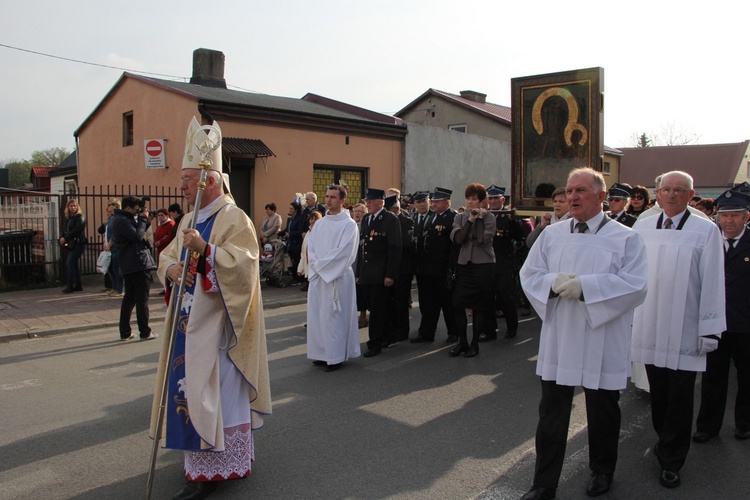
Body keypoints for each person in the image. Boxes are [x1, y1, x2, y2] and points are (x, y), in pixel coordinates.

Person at [150, 117, 271, 499]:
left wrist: (206, 252)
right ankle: (201, 459)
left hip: (221, 329)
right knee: (189, 388)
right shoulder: (188, 218)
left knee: (215, 391)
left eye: (188, 179)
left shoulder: (234, 218)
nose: (182, 186)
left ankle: (220, 466)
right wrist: (171, 267)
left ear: (210, 180)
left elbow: (246, 268)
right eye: (183, 179)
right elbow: (166, 258)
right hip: (187, 323)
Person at [519, 167, 648, 500]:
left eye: (581, 191)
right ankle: (544, 482)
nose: (572, 197)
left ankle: (602, 470)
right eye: (569, 190)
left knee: (603, 410)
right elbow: (530, 273)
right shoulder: (552, 234)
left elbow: (636, 285)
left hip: (601, 335)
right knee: (552, 413)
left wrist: (586, 287)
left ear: (602, 197)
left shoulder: (626, 237)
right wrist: (553, 283)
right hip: (561, 334)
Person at [631, 170, 726, 489]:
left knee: (681, 396)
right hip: (650, 324)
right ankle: (664, 440)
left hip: (686, 328)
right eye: (666, 189)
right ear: (657, 193)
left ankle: (672, 459)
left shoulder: (705, 229)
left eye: (679, 190)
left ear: (690, 194)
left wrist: (710, 328)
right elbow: (631, 274)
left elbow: (713, 280)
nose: (671, 195)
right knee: (658, 394)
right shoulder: (642, 226)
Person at [693, 189, 750, 443]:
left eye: (735, 216)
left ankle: (744, 424)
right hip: (716, 322)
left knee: (747, 378)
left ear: (746, 217)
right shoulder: (710, 242)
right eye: (724, 215)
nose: (729, 221)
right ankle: (707, 426)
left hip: (746, 324)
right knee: (712, 378)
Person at [306, 185, 360, 372]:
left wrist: (321, 266)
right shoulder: (320, 224)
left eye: (333, 197)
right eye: (327, 196)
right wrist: (316, 265)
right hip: (320, 277)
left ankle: (335, 356)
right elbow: (310, 247)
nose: (328, 200)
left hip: (337, 277)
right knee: (318, 315)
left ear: (342, 201)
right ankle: (321, 353)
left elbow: (345, 253)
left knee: (334, 317)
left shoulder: (349, 225)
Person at [450, 183, 496, 358]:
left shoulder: (490, 218)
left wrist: (479, 219)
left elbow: (482, 239)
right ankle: (462, 341)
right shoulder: (460, 217)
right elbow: (459, 239)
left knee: (479, 307)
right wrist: (471, 219)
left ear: (482, 201)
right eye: (468, 198)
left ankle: (474, 344)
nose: (470, 202)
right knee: (457, 304)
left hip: (483, 265)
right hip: (464, 265)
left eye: (474, 199)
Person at [410, 188, 459, 344]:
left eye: (437, 201)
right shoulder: (431, 217)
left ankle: (454, 332)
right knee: (428, 304)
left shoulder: (453, 217)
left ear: (447, 202)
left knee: (447, 304)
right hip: (426, 269)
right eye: (434, 201)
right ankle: (426, 333)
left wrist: (452, 269)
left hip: (443, 269)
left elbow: (454, 246)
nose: (434, 204)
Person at [356, 187, 402, 357]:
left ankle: (374, 344)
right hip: (367, 273)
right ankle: (391, 334)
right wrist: (359, 272)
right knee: (381, 307)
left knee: (376, 310)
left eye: (371, 202)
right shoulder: (367, 219)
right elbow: (363, 248)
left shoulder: (389, 219)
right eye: (367, 201)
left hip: (381, 273)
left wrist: (390, 274)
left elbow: (395, 249)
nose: (368, 204)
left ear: (381, 202)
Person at [111, 196, 157, 341]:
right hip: (137, 263)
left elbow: (135, 235)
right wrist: (143, 220)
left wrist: (146, 223)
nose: (139, 211)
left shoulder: (121, 219)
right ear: (128, 208)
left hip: (130, 263)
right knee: (141, 299)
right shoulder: (123, 220)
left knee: (129, 299)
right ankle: (145, 331)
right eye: (137, 209)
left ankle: (125, 332)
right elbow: (137, 237)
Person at [481, 184, 521, 341]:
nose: (492, 201)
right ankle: (490, 331)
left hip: (503, 264)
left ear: (502, 199)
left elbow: (518, 239)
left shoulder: (509, 216)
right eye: (490, 198)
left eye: (495, 198)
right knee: (487, 299)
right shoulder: (484, 215)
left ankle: (512, 328)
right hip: (486, 264)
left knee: (506, 298)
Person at [386, 190, 416, 342]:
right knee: (390, 302)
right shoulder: (386, 220)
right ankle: (391, 330)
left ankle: (402, 332)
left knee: (401, 302)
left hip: (403, 269)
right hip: (388, 268)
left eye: (393, 210)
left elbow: (405, 243)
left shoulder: (406, 221)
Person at [59, 199, 86, 293]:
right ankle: (78, 284)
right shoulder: (69, 218)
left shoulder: (80, 217)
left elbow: (77, 229)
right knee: (73, 264)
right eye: (71, 206)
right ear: (68, 208)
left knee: (70, 262)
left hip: (79, 243)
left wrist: (65, 238)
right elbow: (64, 229)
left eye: (75, 206)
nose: (73, 208)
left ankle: (70, 285)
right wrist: (62, 237)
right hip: (71, 244)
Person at [278, 198, 305, 285]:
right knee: (292, 262)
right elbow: (287, 229)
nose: (290, 210)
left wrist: (291, 234)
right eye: (289, 209)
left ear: (296, 210)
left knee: (297, 261)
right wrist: (280, 233)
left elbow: (300, 231)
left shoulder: (299, 219)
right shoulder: (290, 219)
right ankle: (294, 277)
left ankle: (299, 279)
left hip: (296, 244)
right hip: (290, 244)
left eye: (291, 209)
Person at [101, 198, 124, 296]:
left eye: (112, 211)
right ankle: (114, 287)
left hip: (116, 247)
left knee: (116, 269)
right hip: (109, 248)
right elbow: (106, 233)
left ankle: (120, 289)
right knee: (110, 269)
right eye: (108, 211)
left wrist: (110, 244)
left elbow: (115, 234)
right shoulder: (109, 220)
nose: (109, 213)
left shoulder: (117, 219)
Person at [351, 203, 369, 327]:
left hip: (362, 262)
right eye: (355, 211)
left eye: (360, 211)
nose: (357, 213)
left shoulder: (366, 226)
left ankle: (363, 316)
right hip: (351, 262)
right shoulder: (350, 226)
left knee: (362, 291)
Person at [298, 209, 322, 292]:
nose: (313, 221)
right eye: (311, 219)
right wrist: (301, 268)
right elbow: (304, 252)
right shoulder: (308, 233)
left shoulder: (322, 233)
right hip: (308, 264)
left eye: (316, 219)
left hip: (317, 267)